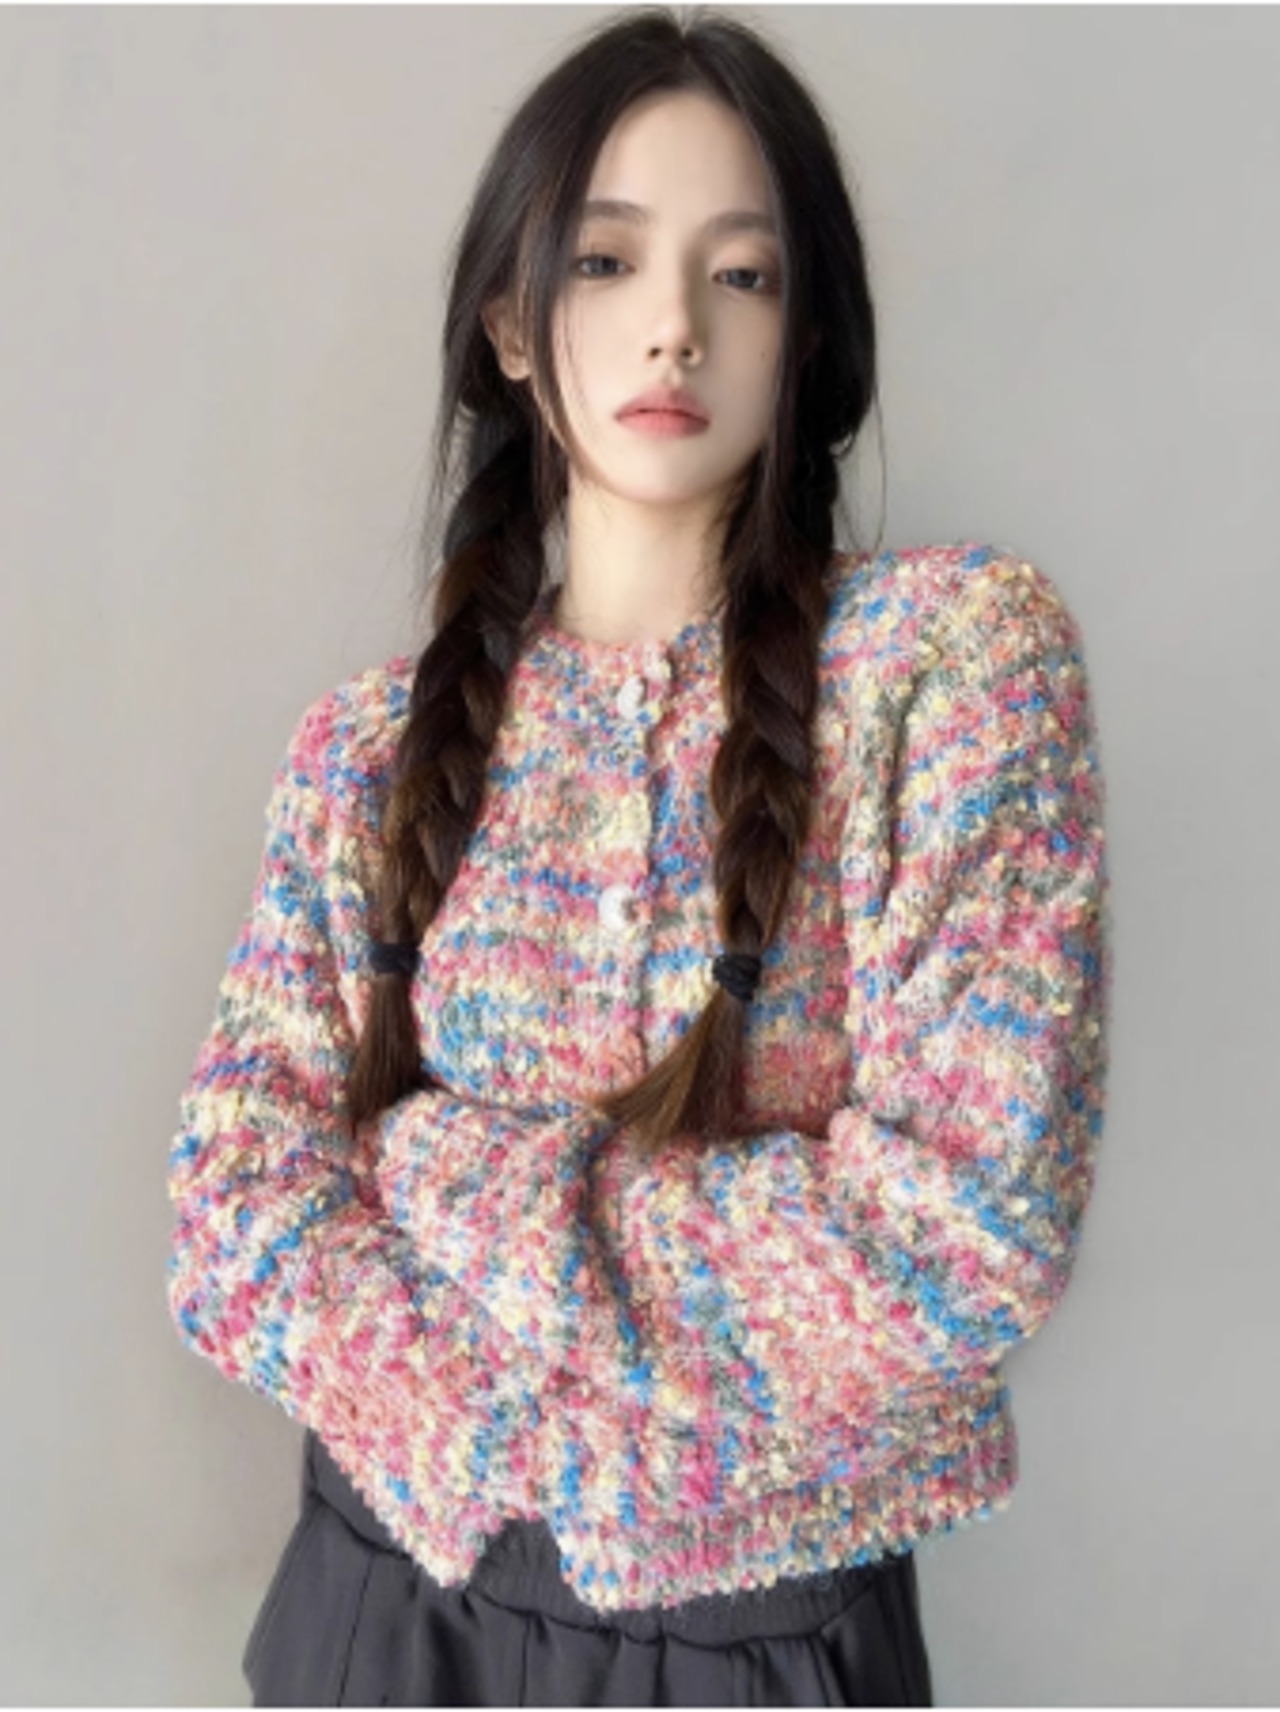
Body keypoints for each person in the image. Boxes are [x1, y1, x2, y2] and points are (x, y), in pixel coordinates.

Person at [165, 5, 1111, 1705]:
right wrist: (491, 1426)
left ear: (806, 340)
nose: (674, 325)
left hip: (758, 1643)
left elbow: (969, 1230)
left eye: (742, 275)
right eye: (607, 262)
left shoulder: (949, 668)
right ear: (513, 326)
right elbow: (235, 1207)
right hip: (386, 1602)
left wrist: (442, 1179)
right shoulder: (367, 755)